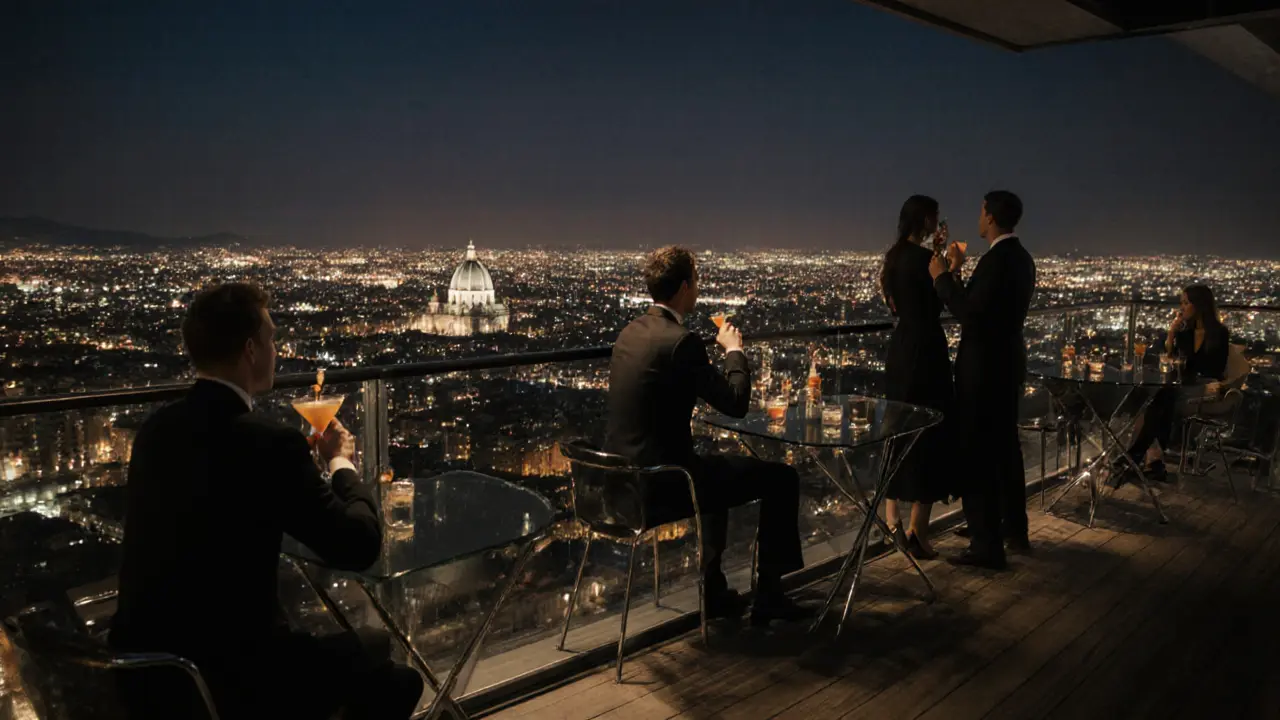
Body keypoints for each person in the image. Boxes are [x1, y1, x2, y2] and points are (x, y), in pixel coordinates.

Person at [110, 283, 423, 719]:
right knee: (393, 669)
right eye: (272, 338)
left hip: (147, 677)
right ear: (251, 350)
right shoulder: (269, 444)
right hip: (235, 679)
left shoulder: (155, 432)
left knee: (370, 652)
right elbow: (359, 544)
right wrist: (339, 463)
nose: (277, 349)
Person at [605, 246, 807, 625]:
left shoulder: (629, 333)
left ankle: (715, 591)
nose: (698, 289)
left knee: (713, 473)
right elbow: (735, 402)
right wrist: (734, 352)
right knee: (782, 478)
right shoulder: (682, 341)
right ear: (685, 287)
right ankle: (769, 596)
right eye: (696, 282)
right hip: (664, 485)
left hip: (618, 483)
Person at [929, 191, 1036, 570]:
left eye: (980, 211)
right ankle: (1011, 527)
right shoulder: (1021, 258)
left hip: (984, 370)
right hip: (1008, 366)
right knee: (1006, 449)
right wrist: (958, 273)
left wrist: (942, 279)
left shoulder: (996, 262)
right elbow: (986, 309)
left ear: (989, 217)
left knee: (977, 451)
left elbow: (971, 314)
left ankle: (985, 542)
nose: (978, 217)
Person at [880, 195, 954, 560]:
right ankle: (918, 529)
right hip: (927, 350)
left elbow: (893, 302)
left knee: (898, 429)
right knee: (930, 432)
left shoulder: (893, 257)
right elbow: (938, 301)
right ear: (926, 220)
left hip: (900, 348)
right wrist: (949, 266)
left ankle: (891, 519)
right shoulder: (929, 262)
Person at [1119, 285, 1230, 483]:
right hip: (1183, 385)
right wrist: (1172, 332)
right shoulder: (1184, 332)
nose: (1182, 308)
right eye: (1182, 303)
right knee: (1159, 398)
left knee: (1161, 398)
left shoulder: (1220, 333)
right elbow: (1169, 357)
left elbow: (1215, 367)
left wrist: (1188, 366)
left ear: (1199, 305)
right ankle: (1152, 461)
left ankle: (1136, 456)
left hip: (1207, 385)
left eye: (1186, 303)